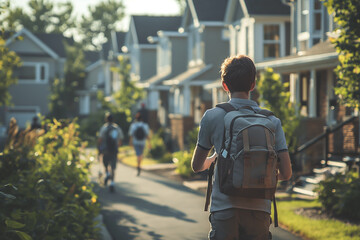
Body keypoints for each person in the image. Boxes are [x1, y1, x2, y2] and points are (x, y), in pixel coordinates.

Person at [191, 55, 292, 240]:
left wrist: (215, 157)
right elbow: (286, 173)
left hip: (224, 209)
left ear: (224, 85)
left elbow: (197, 166)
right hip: (259, 211)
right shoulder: (271, 121)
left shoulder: (212, 116)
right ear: (253, 85)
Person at [98, 112, 124, 192]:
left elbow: (100, 139)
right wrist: (117, 147)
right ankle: (112, 183)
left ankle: (107, 174)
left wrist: (99, 149)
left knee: (105, 164)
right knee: (113, 167)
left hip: (105, 150)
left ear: (106, 119)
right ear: (113, 119)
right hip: (114, 150)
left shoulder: (104, 128)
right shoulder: (117, 128)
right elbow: (120, 139)